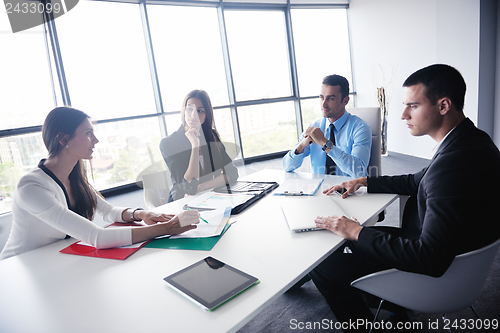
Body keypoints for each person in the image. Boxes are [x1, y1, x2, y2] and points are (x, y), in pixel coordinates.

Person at [310, 64, 500, 332]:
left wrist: (356, 232)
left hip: (438, 271)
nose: (402, 114)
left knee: (325, 264)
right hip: (457, 251)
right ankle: (392, 304)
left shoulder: (452, 167)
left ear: (443, 106)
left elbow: (429, 258)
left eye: (412, 105)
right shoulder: (470, 140)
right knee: (352, 237)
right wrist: (364, 181)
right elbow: (415, 180)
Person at [0, 107, 200, 261]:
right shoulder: (32, 187)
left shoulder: (74, 178)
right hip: (17, 269)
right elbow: (97, 237)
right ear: (63, 139)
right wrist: (167, 228)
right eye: (88, 133)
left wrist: (141, 214)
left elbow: (109, 211)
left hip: (53, 260)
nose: (95, 140)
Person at [283, 74, 372, 178]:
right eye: (321, 97)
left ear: (345, 101)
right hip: (318, 190)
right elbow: (287, 166)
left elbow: (359, 172)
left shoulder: (360, 129)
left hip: (347, 191)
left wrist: (324, 143)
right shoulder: (314, 128)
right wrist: (302, 145)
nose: (323, 104)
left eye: (330, 98)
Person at [160, 90, 238, 202]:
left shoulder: (211, 135)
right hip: (182, 200)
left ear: (206, 115)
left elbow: (232, 173)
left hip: (208, 194)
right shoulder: (168, 143)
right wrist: (195, 145)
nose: (193, 115)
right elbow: (189, 187)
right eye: (190, 109)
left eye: (200, 111)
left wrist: (202, 187)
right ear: (184, 110)